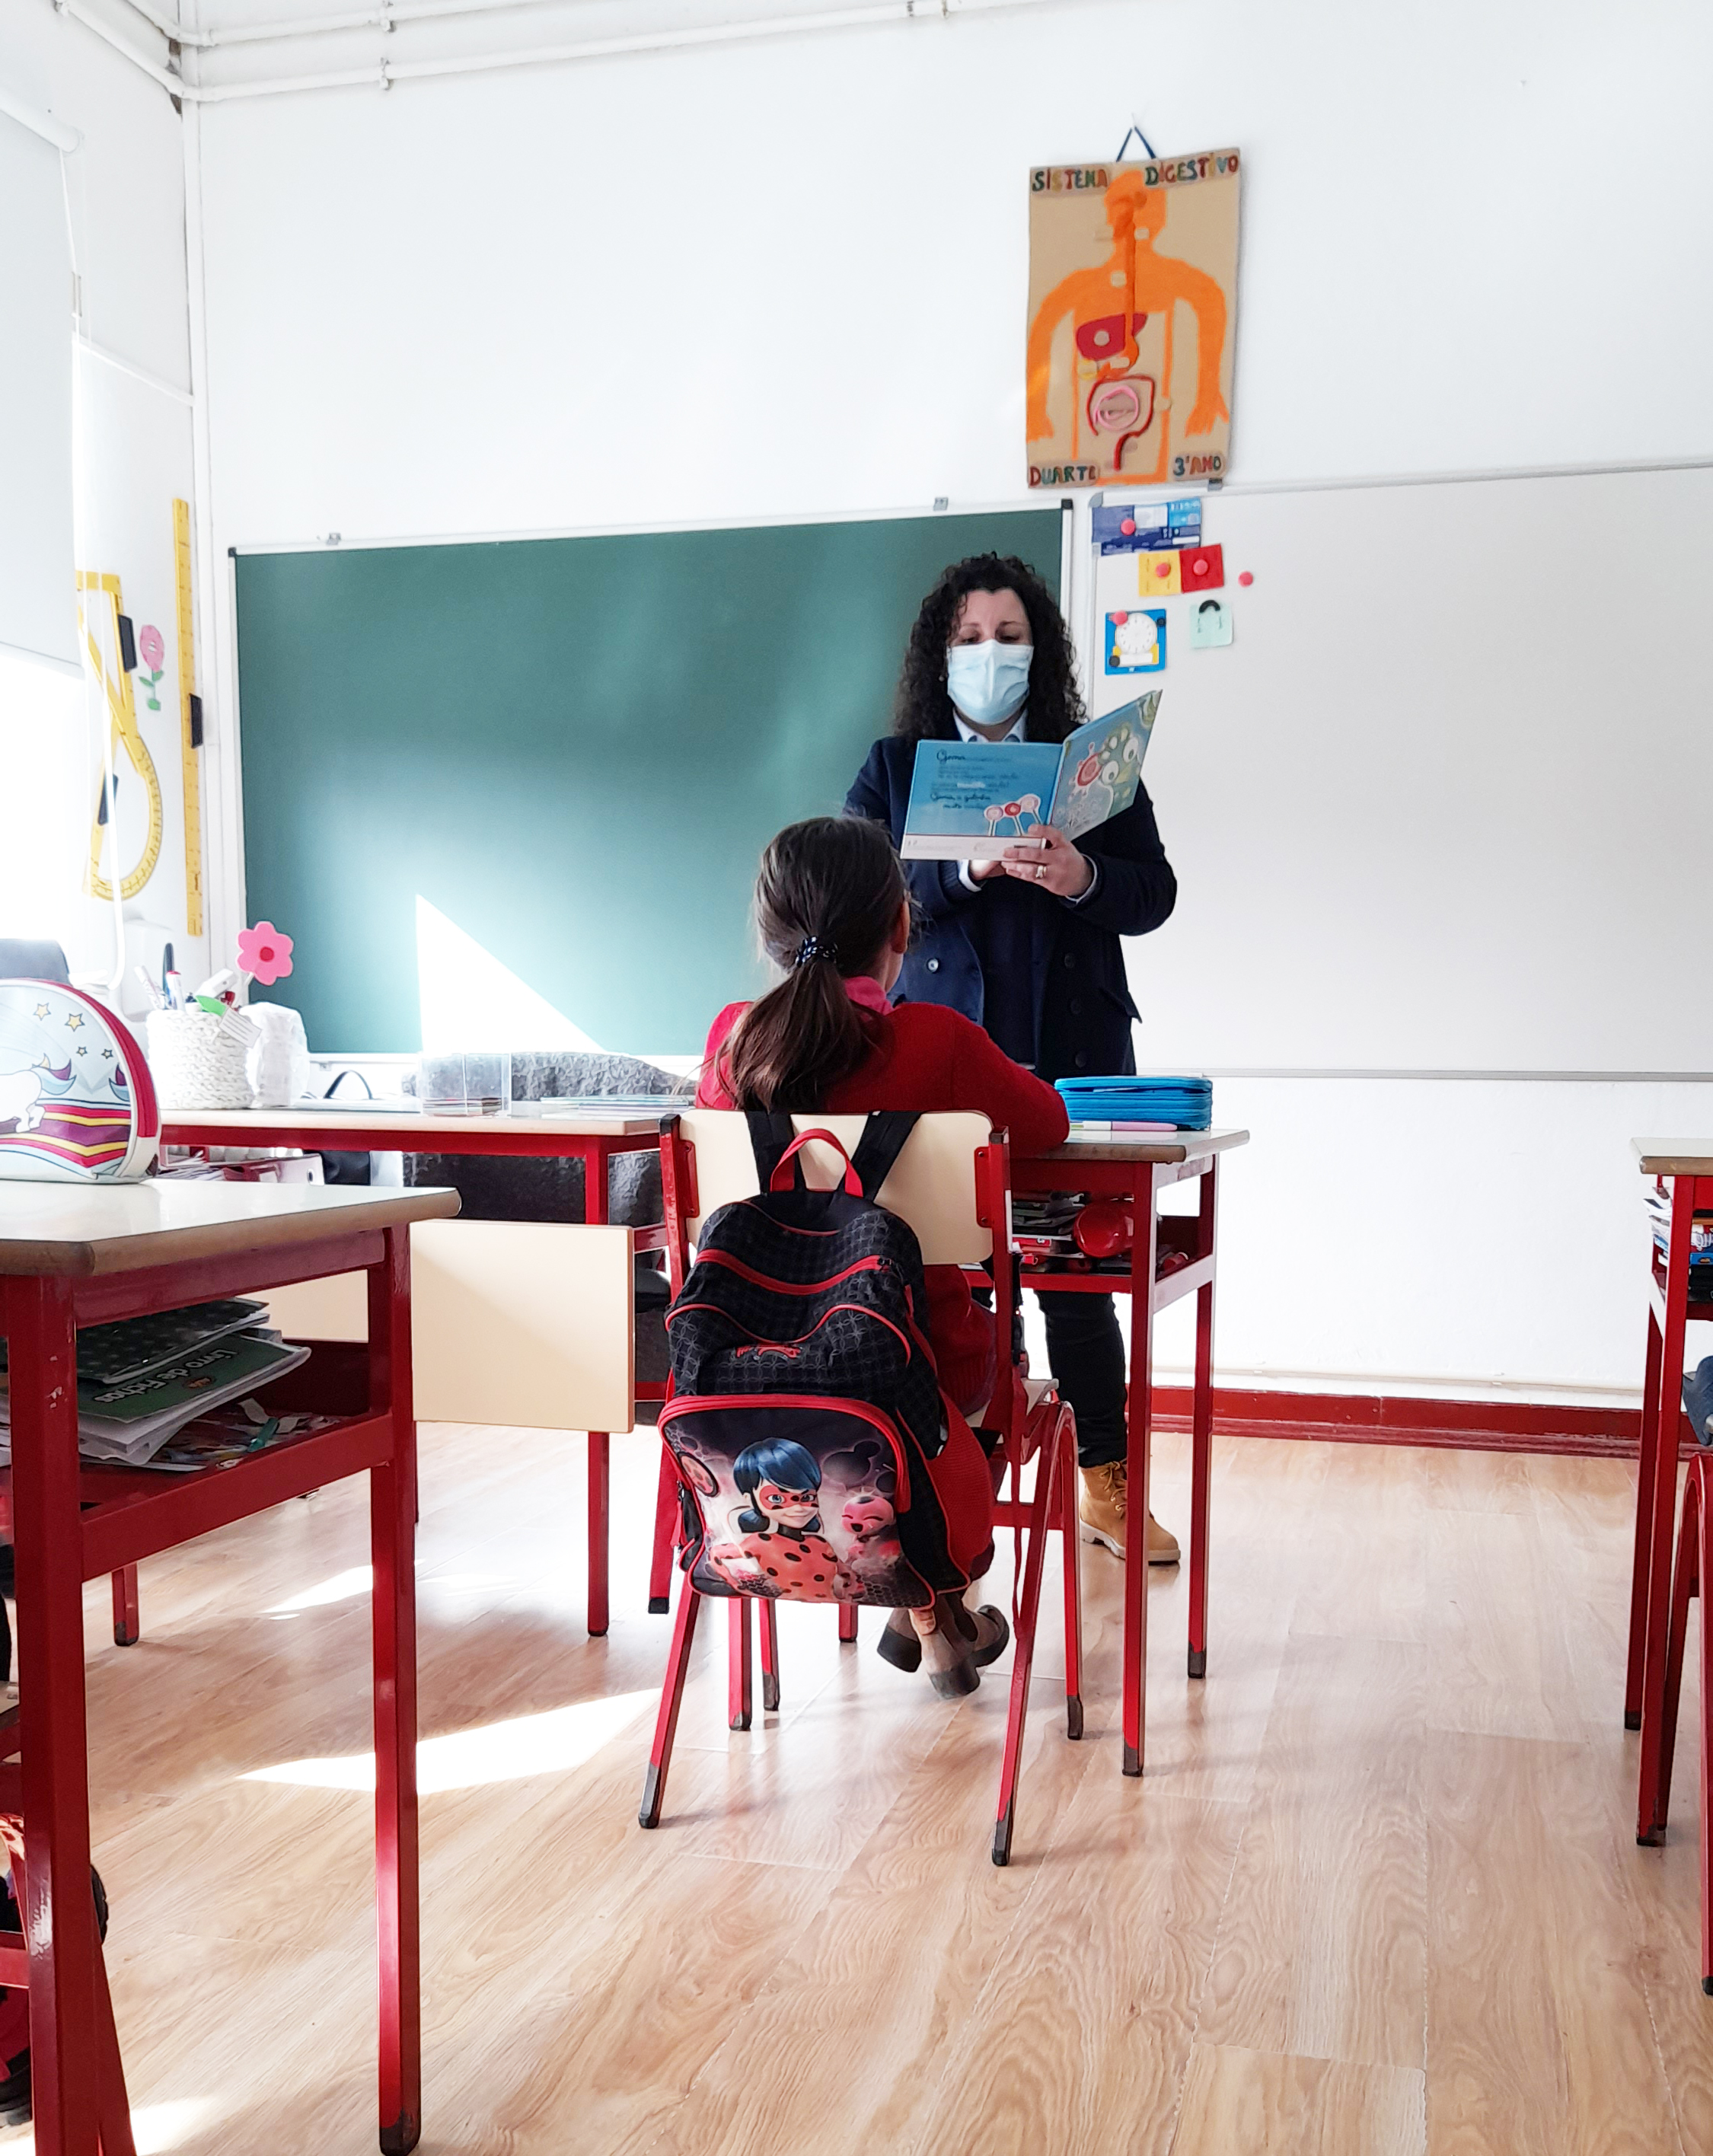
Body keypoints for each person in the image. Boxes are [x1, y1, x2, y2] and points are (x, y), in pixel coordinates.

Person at [844, 553, 1180, 1567]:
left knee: (1079, 1282)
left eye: (1008, 636)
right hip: (941, 1064)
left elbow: (1154, 893)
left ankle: (1107, 1487)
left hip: (1076, 1058)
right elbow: (856, 895)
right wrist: (965, 868)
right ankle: (959, 1491)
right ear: (939, 653)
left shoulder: (1092, 766)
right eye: (970, 639)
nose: (989, 655)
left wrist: (1083, 877)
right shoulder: (896, 767)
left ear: (1038, 650)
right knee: (953, 1286)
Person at [696, 814, 1070, 1696]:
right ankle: (935, 1601)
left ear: (768, 932)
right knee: (990, 1392)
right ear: (902, 927)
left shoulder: (731, 1041)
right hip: (925, 1366)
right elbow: (1048, 1126)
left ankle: (930, 1616)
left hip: (754, 1371)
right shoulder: (939, 1041)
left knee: (914, 1409)